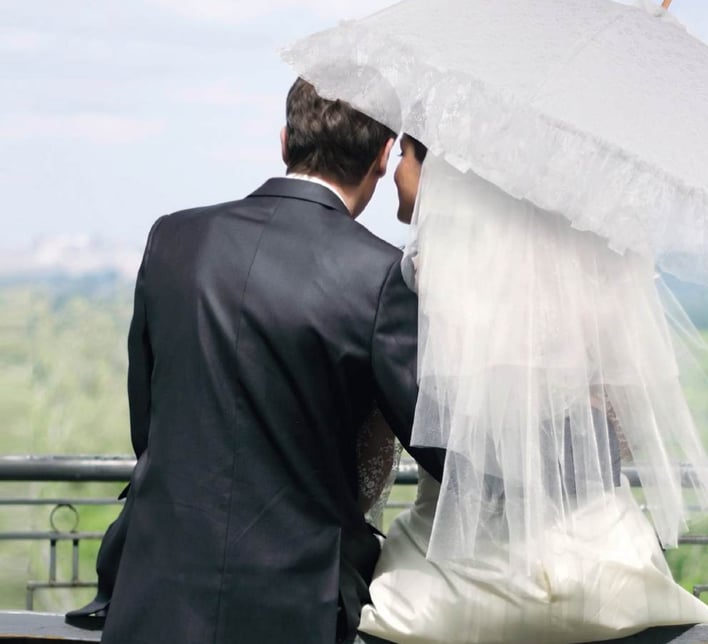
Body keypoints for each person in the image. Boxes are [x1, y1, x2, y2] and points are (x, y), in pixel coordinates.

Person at [66, 79, 444, 644]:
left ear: (285, 139)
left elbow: (148, 426)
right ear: (384, 155)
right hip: (300, 606)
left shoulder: (173, 239)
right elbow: (435, 440)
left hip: (156, 594)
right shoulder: (382, 274)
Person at [355, 134, 708, 644]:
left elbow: (409, 421)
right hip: (603, 570)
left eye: (408, 156)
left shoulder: (419, 276)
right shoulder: (594, 264)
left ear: (445, 170)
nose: (398, 170)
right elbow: (630, 432)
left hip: (446, 576)